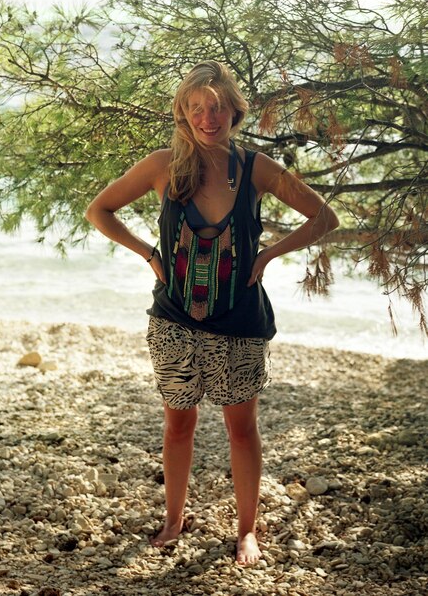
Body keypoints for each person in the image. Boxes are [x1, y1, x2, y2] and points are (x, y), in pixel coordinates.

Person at [85, 60, 339, 565]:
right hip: (174, 320)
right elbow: (99, 210)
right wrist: (149, 254)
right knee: (178, 426)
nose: (208, 117)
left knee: (241, 429)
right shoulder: (163, 166)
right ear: (183, 114)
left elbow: (324, 217)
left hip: (240, 321)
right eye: (197, 108)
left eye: (218, 107)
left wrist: (267, 254)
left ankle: (247, 532)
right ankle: (174, 520)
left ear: (235, 112)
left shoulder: (255, 168)